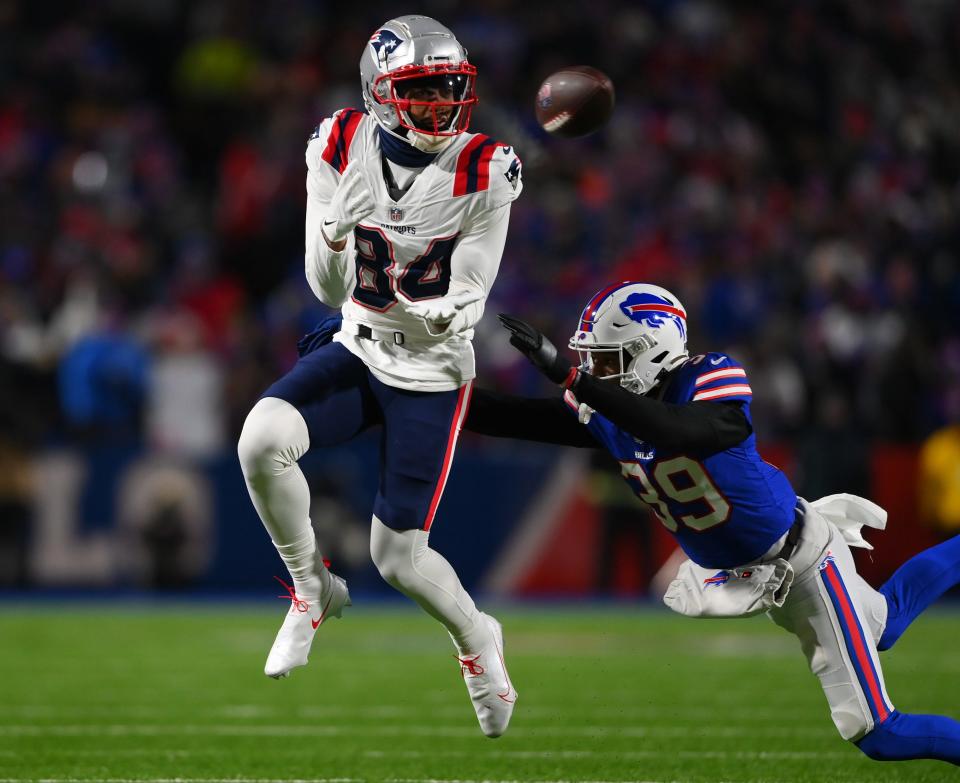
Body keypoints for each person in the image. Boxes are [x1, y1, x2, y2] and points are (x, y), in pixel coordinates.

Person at [464, 281, 960, 766]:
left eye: (607, 360)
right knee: (886, 622)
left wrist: (574, 379)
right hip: (758, 572)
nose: (595, 370)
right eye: (590, 360)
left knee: (876, 732)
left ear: (650, 350)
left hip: (803, 564)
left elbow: (679, 432)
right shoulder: (607, 408)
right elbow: (518, 417)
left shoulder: (710, 378)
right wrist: (416, 399)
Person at [236, 15, 522, 738]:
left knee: (397, 559)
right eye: (422, 90)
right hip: (360, 346)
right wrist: (335, 224)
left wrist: (453, 309)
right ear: (380, 94)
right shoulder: (338, 141)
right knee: (260, 439)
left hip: (429, 369)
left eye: (450, 89)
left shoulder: (486, 164)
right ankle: (310, 590)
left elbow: (474, 278)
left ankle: (476, 637)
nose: (441, 105)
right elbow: (326, 286)